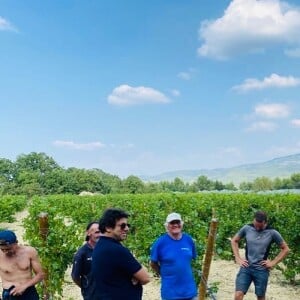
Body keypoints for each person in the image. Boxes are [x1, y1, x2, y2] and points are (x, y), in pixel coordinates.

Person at [92, 208, 150, 300]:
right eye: (122, 226)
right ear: (108, 228)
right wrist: (135, 275)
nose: (127, 229)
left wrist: (134, 275)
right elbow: (146, 278)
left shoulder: (100, 246)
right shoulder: (117, 250)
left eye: (128, 225)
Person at [231, 210, 290, 300]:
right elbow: (234, 240)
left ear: (265, 222)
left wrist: (273, 262)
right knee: (238, 294)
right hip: (246, 267)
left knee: (260, 296)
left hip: (261, 270)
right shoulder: (247, 228)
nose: (257, 228)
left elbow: (285, 249)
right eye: (255, 225)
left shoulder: (272, 232)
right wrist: (238, 258)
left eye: (260, 226)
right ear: (253, 220)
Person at [150, 212, 198, 300]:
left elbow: (190, 260)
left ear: (182, 224)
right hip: (170, 293)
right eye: (172, 223)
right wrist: (163, 273)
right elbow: (153, 263)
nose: (175, 225)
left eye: (178, 222)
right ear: (167, 226)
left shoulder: (188, 240)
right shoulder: (160, 243)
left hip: (190, 292)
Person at [0, 229, 44, 299]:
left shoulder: (30, 252)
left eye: (8, 249)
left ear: (16, 242)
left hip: (29, 291)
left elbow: (40, 274)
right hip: (9, 294)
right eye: (2, 249)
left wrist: (24, 286)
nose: (5, 252)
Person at [71, 221, 101, 300]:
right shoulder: (81, 254)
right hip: (92, 296)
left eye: (102, 231)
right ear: (88, 233)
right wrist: (87, 287)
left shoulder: (107, 249)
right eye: (97, 232)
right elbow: (75, 276)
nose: (100, 235)